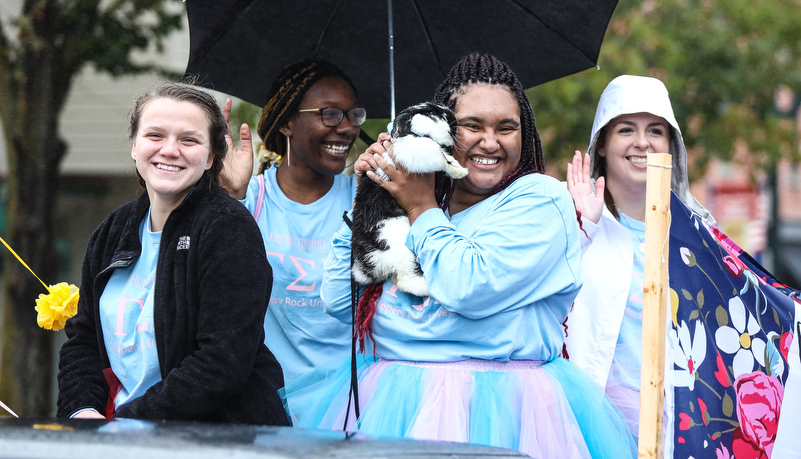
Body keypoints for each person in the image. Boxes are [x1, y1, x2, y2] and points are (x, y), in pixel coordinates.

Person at [284, 53, 636, 459]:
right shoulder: (414, 200)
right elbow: (338, 301)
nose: (490, 142)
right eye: (472, 126)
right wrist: (370, 199)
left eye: (507, 128)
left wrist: (420, 209)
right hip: (390, 407)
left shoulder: (541, 198)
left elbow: (470, 286)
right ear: (442, 131)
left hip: (507, 415)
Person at [57, 82, 288, 425]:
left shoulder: (228, 229)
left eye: (189, 140)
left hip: (219, 439)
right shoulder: (113, 231)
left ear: (211, 157)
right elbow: (84, 339)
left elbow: (221, 360)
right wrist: (83, 412)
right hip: (122, 435)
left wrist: (126, 423)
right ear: (134, 145)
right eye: (155, 135)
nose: (169, 150)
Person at [563, 75, 713, 437]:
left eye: (656, 131)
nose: (642, 142)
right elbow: (541, 295)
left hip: (679, 427)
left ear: (671, 145)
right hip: (587, 426)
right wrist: (583, 229)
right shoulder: (568, 216)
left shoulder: (700, 235)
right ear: (602, 144)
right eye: (626, 129)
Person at [221, 60, 364, 384]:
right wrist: (229, 195)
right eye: (329, 114)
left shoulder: (365, 200)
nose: (346, 127)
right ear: (286, 122)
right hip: (263, 396)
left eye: (353, 115)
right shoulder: (250, 198)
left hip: (351, 397)